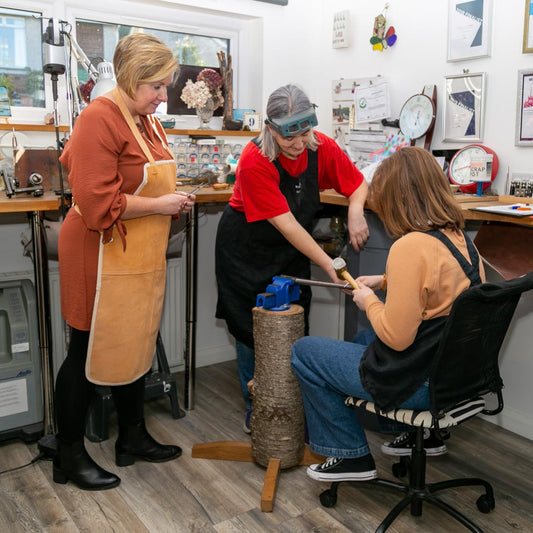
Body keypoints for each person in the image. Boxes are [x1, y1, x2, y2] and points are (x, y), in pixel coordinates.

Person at [291, 146, 485, 482]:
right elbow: (441, 289)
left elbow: (396, 339)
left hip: (424, 384)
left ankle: (350, 455)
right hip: (458, 377)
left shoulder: (409, 247)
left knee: (305, 352)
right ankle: (418, 434)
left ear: (397, 200)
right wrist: (384, 282)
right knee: (365, 339)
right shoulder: (462, 240)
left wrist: (368, 301)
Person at [54, 33, 195, 491]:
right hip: (96, 249)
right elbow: (97, 206)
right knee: (86, 350)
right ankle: (68, 454)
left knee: (134, 336)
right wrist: (162, 205)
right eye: (156, 86)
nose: (163, 96)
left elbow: (144, 178)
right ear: (131, 79)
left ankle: (131, 436)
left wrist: (172, 201)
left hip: (134, 251)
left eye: (166, 85)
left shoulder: (146, 120)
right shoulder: (99, 118)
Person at [215, 84, 369, 431]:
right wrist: (329, 264)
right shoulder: (255, 161)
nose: (299, 145)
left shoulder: (321, 147)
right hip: (246, 250)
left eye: (304, 133)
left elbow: (357, 184)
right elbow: (286, 224)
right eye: (289, 138)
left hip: (290, 250)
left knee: (295, 325)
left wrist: (356, 209)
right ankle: (260, 411)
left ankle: (295, 410)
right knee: (253, 330)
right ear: (270, 129)